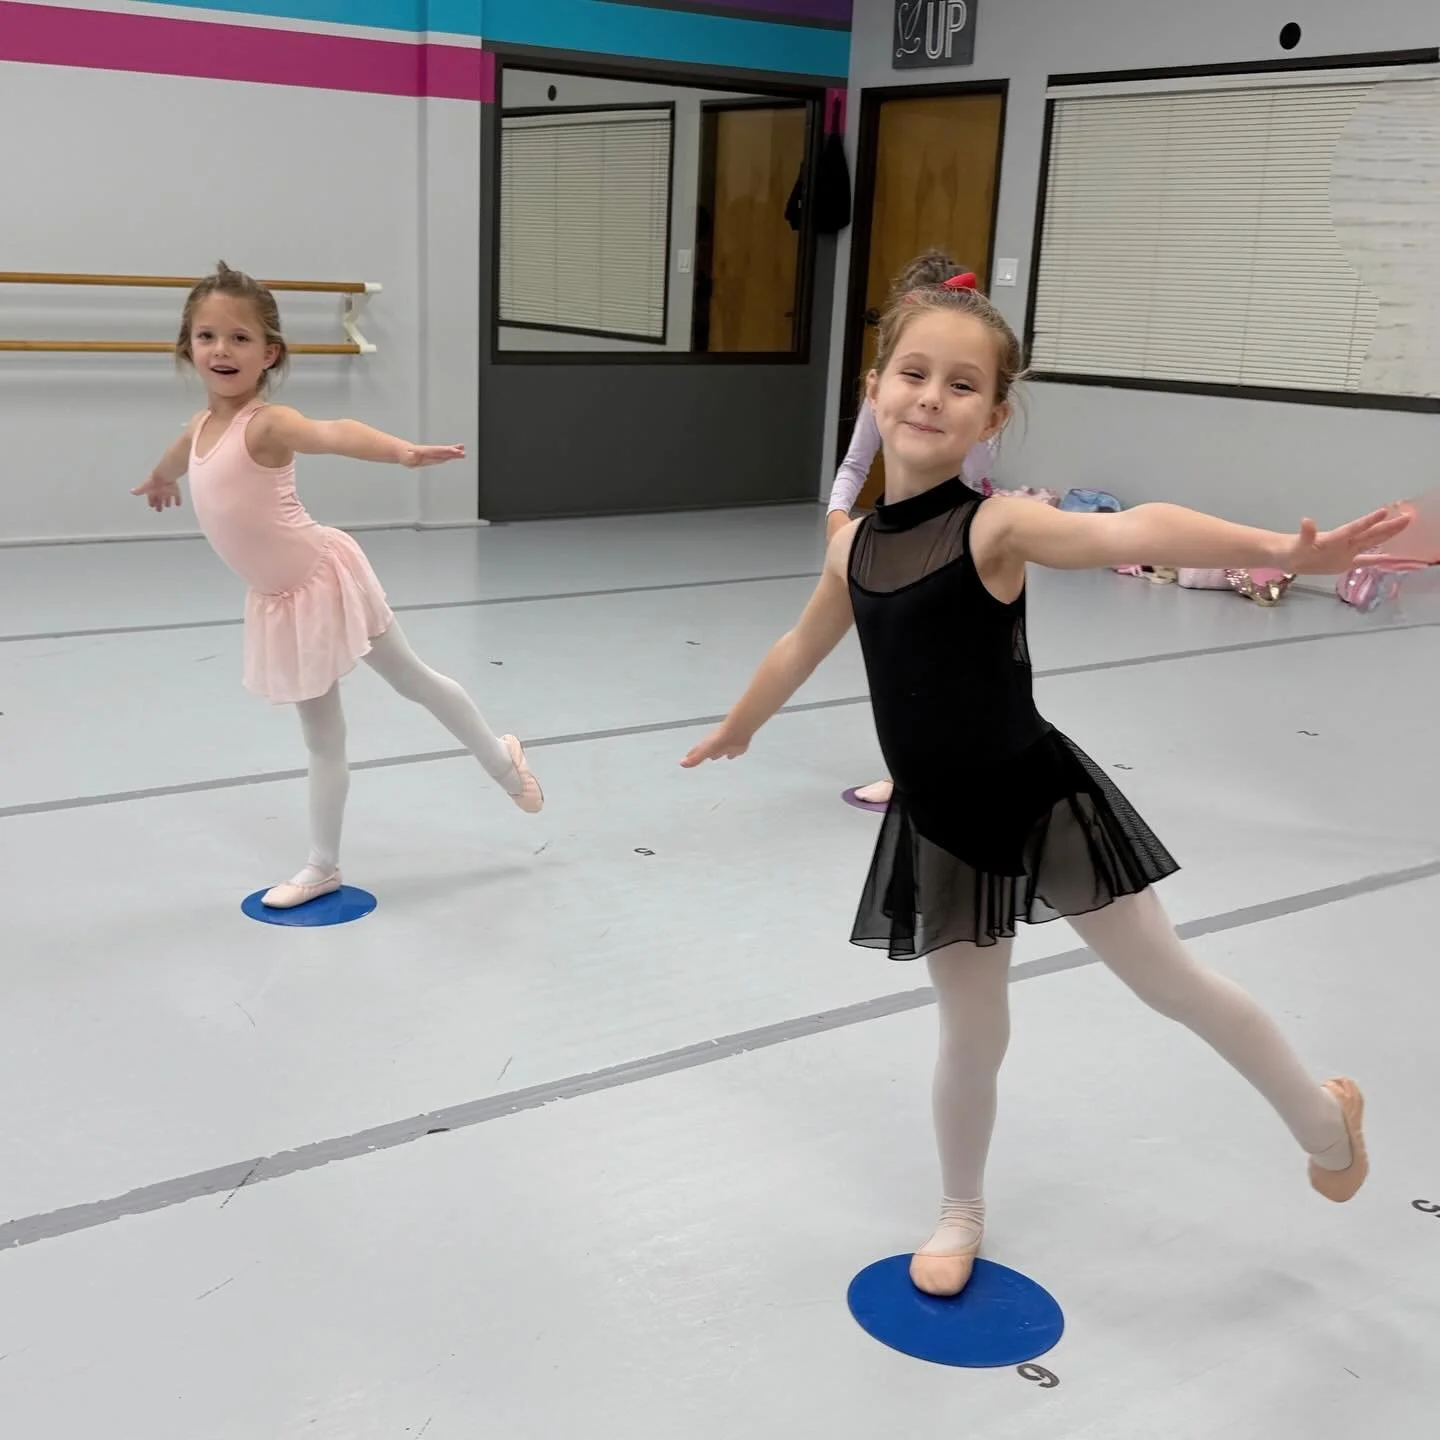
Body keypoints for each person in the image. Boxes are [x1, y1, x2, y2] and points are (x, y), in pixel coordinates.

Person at [682, 270, 1398, 1297]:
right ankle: (959, 1210)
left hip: (1039, 801)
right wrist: (736, 727)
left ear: (993, 415)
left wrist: (1281, 549)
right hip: (943, 827)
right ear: (876, 389)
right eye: (914, 373)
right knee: (970, 1029)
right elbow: (801, 645)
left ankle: (1326, 1119)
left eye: (962, 384)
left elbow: (1133, 530)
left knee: (1168, 983)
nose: (932, 396)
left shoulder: (996, 530)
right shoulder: (855, 547)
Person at [132, 262, 542, 909]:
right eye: (207, 336)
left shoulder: (265, 424)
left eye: (240, 338)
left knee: (412, 680)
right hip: (281, 605)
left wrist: (400, 451)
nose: (221, 350)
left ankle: (501, 757)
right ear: (188, 346)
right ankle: (323, 865)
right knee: (323, 738)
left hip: (326, 579)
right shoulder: (197, 428)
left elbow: (333, 434)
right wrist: (160, 480)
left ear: (269, 354)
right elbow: (179, 457)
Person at [827, 252, 994, 810]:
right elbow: (852, 468)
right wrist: (837, 520)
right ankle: (918, 770)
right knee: (906, 661)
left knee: (955, 663)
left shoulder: (962, 406)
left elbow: (975, 478)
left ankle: (930, 773)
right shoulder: (886, 400)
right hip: (899, 537)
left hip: (964, 539)